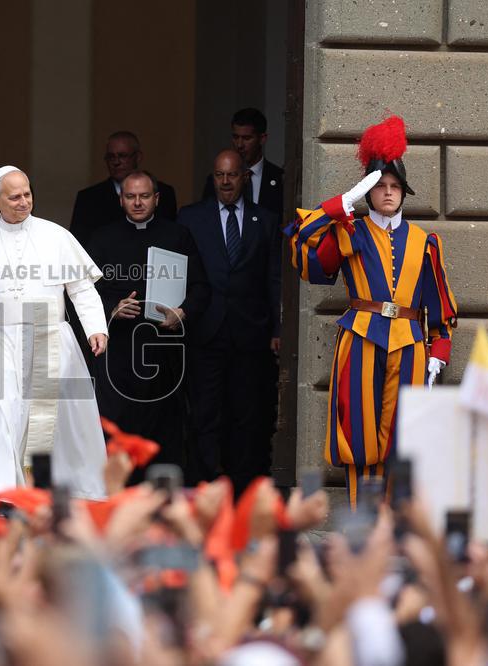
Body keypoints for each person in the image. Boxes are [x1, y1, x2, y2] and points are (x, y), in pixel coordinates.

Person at [286, 115, 457, 507]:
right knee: (359, 431)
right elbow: (305, 253)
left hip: (412, 343)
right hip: (362, 336)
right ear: (368, 191)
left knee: (405, 434)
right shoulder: (350, 231)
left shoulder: (425, 241)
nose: (388, 193)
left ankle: (397, 521)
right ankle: (363, 517)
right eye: (380, 186)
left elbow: (439, 309)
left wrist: (439, 355)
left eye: (395, 186)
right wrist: (341, 205)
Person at [0, 166, 109, 498]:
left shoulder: (56, 235)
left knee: (53, 422)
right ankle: (5, 495)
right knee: (2, 421)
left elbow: (80, 288)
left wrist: (96, 327)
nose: (23, 202)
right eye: (14, 196)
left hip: (50, 337)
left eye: (27, 194)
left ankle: (60, 492)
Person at [86, 170, 210, 473]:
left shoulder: (177, 235)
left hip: (162, 352)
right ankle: (116, 499)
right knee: (117, 428)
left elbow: (201, 287)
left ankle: (160, 500)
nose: (137, 203)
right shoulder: (101, 239)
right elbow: (83, 292)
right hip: (118, 355)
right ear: (121, 199)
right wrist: (113, 307)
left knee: (164, 428)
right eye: (130, 196)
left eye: (144, 196)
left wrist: (181, 312)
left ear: (157, 198)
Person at [177, 149, 281, 494]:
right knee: (205, 415)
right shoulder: (191, 218)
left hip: (251, 335)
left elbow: (273, 280)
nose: (224, 181)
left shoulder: (264, 220)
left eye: (232, 175)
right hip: (205, 332)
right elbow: (181, 275)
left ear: (244, 177)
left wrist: (277, 330)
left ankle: (242, 491)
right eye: (219, 175)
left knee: (247, 417)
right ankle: (205, 487)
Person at [70, 131, 178, 250]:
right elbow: (77, 246)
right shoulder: (88, 198)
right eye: (111, 157)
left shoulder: (165, 193)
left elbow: (170, 238)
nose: (116, 162)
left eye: (122, 155)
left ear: (138, 157)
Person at [201, 107, 284, 218]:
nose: (239, 145)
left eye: (247, 138)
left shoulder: (280, 178)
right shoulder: (217, 180)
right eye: (236, 137)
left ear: (262, 139)